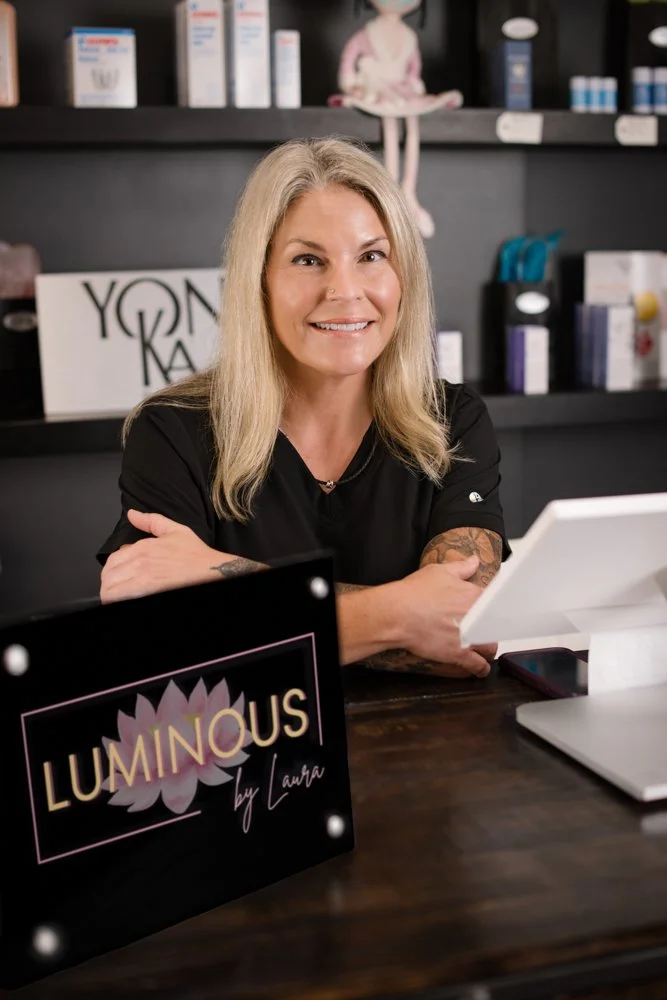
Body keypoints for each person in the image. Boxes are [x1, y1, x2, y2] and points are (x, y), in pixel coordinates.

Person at [98, 136, 509, 679]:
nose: (345, 290)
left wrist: (223, 584)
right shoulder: (173, 430)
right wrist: (402, 614)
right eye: (308, 259)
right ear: (259, 279)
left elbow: (466, 636)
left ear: (402, 274)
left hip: (433, 753)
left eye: (371, 256)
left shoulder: (453, 421)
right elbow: (162, 637)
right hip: (250, 751)